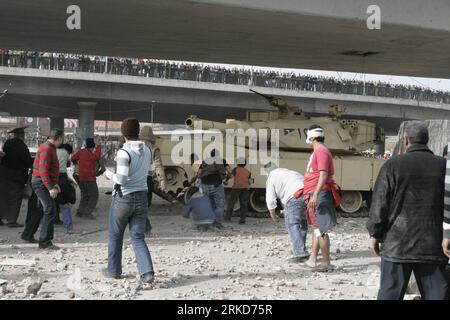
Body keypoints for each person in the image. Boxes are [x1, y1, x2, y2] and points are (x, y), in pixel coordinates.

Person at [367, 121, 449, 300]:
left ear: (406, 140)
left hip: (397, 245)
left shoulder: (392, 164)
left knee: (390, 294)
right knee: (438, 295)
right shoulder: (443, 166)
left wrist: (376, 233)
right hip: (433, 245)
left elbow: (380, 202)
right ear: (427, 140)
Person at [102, 118, 154, 283]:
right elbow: (150, 173)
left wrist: (107, 174)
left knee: (115, 235)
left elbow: (121, 179)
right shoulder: (147, 150)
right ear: (137, 132)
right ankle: (147, 272)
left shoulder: (123, 152)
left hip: (124, 199)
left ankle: (113, 270)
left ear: (123, 133)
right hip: (142, 197)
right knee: (138, 237)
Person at [302, 125, 337, 271]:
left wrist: (315, 195)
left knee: (320, 229)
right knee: (316, 228)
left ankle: (326, 262)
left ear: (312, 137)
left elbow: (323, 174)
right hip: (314, 192)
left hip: (318, 194)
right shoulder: (319, 151)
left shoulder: (321, 152)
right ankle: (312, 259)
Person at [264, 163, 309, 263]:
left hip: (294, 197)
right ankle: (300, 249)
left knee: (293, 225)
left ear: (267, 172)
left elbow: (270, 198)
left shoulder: (271, 176)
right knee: (302, 225)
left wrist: (273, 215)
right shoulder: (290, 172)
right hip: (308, 194)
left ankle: (300, 253)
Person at [31, 129, 64, 250]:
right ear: (59, 138)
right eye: (62, 138)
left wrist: (55, 184)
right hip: (41, 183)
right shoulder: (47, 148)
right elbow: (43, 170)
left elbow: (49, 170)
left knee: (40, 209)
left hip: (43, 182)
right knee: (50, 209)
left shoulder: (50, 147)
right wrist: (50, 187)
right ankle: (45, 242)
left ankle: (28, 234)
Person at [0, 126, 33, 227]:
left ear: (14, 135)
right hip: (17, 176)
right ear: (22, 135)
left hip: (4, 174)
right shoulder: (22, 147)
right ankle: (12, 221)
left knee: (2, 197)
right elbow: (28, 161)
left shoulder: (7, 143)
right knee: (15, 198)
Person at [139, 126, 167, 236]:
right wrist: (162, 180)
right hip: (146, 179)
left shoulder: (135, 147)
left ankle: (144, 227)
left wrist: (162, 179)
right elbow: (158, 165)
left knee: (143, 204)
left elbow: (158, 165)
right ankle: (145, 227)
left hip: (141, 179)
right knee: (143, 204)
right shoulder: (154, 148)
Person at [196, 149, 229, 229]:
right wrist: (227, 179)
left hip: (205, 184)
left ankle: (205, 224)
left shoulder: (205, 161)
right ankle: (217, 224)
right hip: (216, 185)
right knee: (219, 205)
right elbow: (230, 171)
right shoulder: (222, 160)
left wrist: (200, 180)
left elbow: (199, 172)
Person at [71, 138, 101, 219]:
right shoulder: (91, 154)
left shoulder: (81, 152)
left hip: (81, 177)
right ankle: (87, 213)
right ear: (93, 146)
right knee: (94, 195)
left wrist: (77, 163)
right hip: (90, 178)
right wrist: (98, 146)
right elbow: (97, 157)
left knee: (84, 195)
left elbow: (72, 158)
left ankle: (80, 212)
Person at [56, 143, 76, 232]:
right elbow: (66, 169)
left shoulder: (51, 151)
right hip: (62, 179)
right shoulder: (65, 153)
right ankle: (68, 226)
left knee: (49, 204)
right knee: (64, 204)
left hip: (51, 178)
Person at [224, 158, 251, 224]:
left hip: (236, 188)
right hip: (245, 188)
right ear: (245, 164)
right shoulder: (248, 172)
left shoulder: (235, 169)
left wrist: (226, 180)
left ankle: (227, 218)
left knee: (231, 203)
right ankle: (242, 220)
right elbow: (249, 182)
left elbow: (230, 176)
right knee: (244, 204)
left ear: (238, 163)